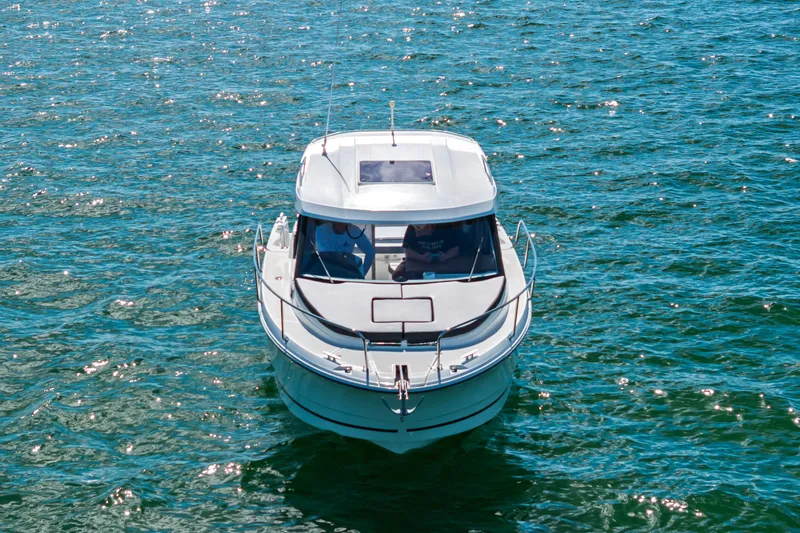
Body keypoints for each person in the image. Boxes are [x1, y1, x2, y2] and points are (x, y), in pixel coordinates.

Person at [392, 223, 460, 281]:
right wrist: (421, 257)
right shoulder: (412, 228)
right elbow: (408, 252)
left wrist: (446, 256)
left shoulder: (446, 226)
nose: (417, 233)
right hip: (418, 262)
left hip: (443, 262)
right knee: (398, 274)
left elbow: (455, 249)